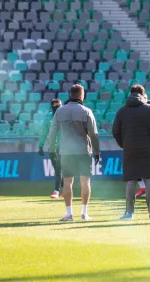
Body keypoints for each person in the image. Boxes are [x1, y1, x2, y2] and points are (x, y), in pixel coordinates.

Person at [48, 84, 100, 221]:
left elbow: (52, 132)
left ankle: (69, 213)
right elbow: (94, 134)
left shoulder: (59, 111)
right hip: (83, 150)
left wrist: (52, 149)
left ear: (70, 95)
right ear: (82, 95)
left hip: (66, 151)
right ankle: (84, 213)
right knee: (85, 181)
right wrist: (97, 151)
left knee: (67, 182)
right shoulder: (86, 111)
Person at [112, 84, 150, 220]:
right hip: (148, 149)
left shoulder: (122, 111)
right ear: (143, 94)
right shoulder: (149, 109)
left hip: (130, 150)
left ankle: (129, 213)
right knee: (149, 181)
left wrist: (124, 144)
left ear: (131, 94)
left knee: (131, 180)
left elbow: (115, 131)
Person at [38, 98, 63, 199]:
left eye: (58, 106)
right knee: (57, 169)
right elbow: (44, 132)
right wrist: (41, 145)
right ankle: (64, 189)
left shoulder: (66, 117)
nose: (57, 108)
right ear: (52, 106)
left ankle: (56, 190)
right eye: (55, 106)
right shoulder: (48, 118)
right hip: (52, 147)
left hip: (64, 146)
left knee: (59, 169)